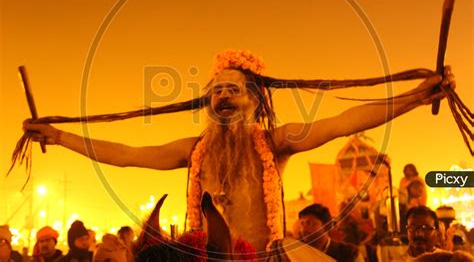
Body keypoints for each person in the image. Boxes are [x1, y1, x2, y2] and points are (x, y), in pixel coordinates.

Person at [23, 50, 455, 254]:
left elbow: (346, 122)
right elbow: (125, 152)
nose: (224, 95)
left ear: (255, 100)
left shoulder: (275, 141)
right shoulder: (192, 150)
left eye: (234, 89)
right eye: (216, 91)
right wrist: (60, 137)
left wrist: (417, 95)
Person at [298, 204, 363, 262]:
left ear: (326, 226)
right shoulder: (297, 254)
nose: (304, 228)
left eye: (309, 223)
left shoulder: (349, 253)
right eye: (302, 223)